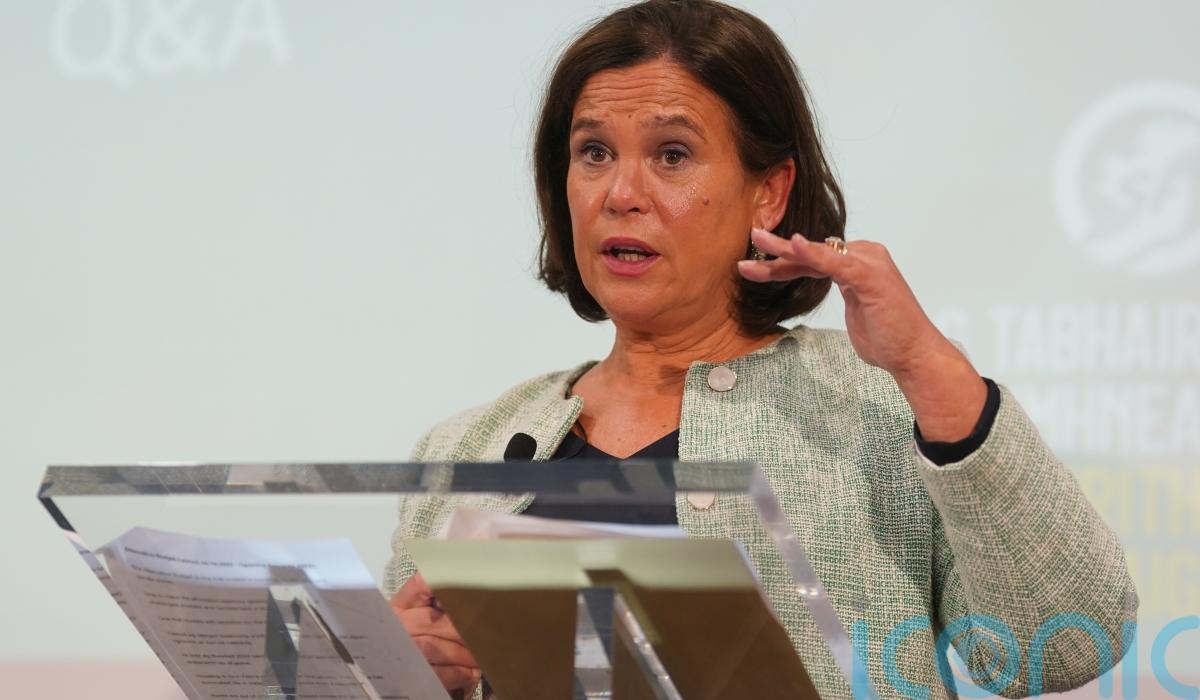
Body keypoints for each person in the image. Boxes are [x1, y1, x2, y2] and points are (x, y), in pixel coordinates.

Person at [385, 0, 1137, 697]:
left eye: (671, 155)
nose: (620, 192)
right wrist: (406, 677)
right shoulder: (463, 449)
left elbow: (1067, 644)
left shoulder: (879, 409)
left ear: (769, 192)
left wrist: (928, 368)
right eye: (594, 152)